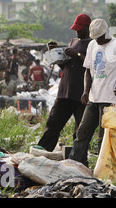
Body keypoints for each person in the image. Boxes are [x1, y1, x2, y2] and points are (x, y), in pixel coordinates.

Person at [69, 18, 116, 167]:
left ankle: (102, 169)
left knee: (103, 138)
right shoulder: (92, 45)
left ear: (106, 33)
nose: (97, 41)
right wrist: (86, 91)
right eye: (95, 38)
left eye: (99, 38)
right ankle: (76, 164)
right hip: (94, 97)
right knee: (82, 132)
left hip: (110, 99)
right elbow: (88, 70)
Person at [37, 13, 92, 152]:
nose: (77, 31)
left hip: (81, 93)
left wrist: (78, 55)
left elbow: (92, 65)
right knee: (53, 123)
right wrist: (55, 52)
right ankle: (42, 150)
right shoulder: (73, 42)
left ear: (88, 28)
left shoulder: (93, 45)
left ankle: (78, 156)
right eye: (76, 29)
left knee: (80, 129)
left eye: (80, 29)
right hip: (65, 91)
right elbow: (66, 66)